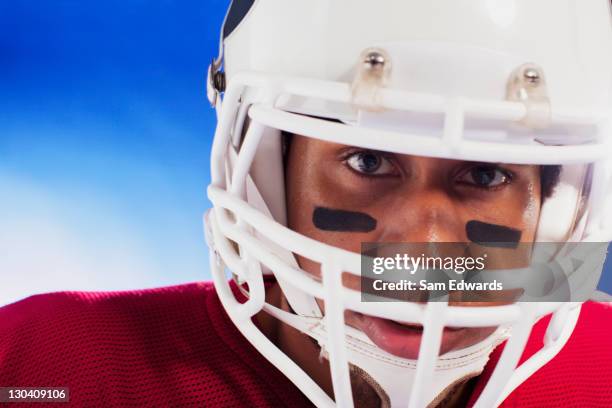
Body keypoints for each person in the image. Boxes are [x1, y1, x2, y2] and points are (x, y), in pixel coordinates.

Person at [1, 1, 612, 407]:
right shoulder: (43, 366)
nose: (425, 250)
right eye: (367, 162)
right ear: (268, 175)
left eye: (484, 172)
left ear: (557, 207)